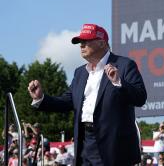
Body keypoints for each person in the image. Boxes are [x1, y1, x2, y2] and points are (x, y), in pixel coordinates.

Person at [27, 23, 147, 165]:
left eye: (86, 41)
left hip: (113, 145)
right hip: (85, 142)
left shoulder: (125, 65)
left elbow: (140, 97)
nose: (81, 45)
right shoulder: (80, 72)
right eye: (80, 42)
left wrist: (118, 82)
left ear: (102, 43)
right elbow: (67, 101)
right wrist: (41, 98)